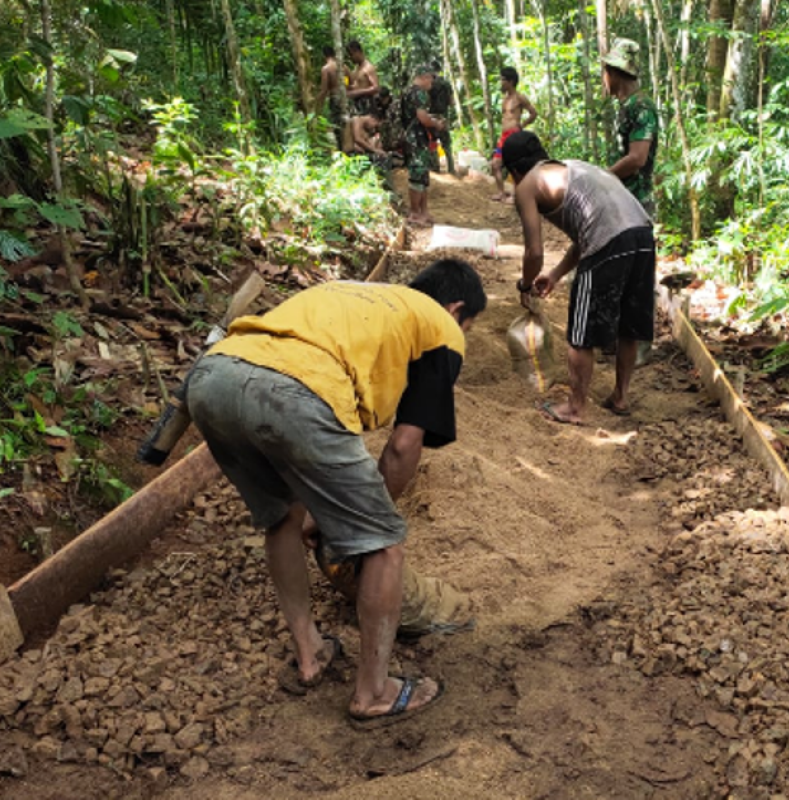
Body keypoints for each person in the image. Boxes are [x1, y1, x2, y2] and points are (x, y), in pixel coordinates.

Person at [186, 260, 487, 727]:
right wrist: (356, 529)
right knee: (384, 546)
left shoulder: (354, 294)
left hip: (212, 378)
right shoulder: (439, 327)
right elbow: (403, 448)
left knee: (283, 516)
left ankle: (310, 652)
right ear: (456, 308)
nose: (461, 333)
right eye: (466, 325)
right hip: (293, 392)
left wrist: (322, 513)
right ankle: (374, 693)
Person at [502, 131, 655, 424]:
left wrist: (524, 284)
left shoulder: (527, 186)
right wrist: (556, 274)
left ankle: (575, 407)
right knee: (628, 326)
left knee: (580, 333)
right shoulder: (574, 167)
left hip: (608, 242)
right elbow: (589, 227)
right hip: (643, 236)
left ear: (514, 171)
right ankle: (620, 397)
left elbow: (534, 252)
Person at [603, 38, 659, 220]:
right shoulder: (627, 105)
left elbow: (637, 158)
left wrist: (603, 178)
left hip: (635, 202)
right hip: (622, 197)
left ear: (614, 74)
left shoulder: (641, 106)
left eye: (605, 72)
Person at [402, 64, 447, 227]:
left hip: (417, 137)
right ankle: (415, 213)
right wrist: (437, 123)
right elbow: (422, 118)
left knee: (422, 175)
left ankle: (423, 211)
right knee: (417, 175)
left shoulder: (408, 91)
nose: (432, 83)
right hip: (416, 138)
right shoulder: (418, 93)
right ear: (425, 77)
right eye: (431, 79)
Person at [490, 67, 538, 203]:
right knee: (495, 164)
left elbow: (533, 113)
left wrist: (521, 125)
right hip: (504, 136)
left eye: (503, 80)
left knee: (516, 167)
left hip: (514, 136)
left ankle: (518, 195)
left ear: (510, 82)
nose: (501, 83)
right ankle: (501, 193)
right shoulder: (505, 99)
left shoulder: (520, 97)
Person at [314, 46, 346, 150]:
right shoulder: (343, 67)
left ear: (324, 55)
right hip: (346, 98)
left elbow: (324, 90)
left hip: (335, 99)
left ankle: (342, 149)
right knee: (346, 124)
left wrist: (317, 103)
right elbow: (352, 81)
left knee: (337, 126)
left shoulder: (326, 68)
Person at [429, 61, 456, 177]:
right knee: (446, 143)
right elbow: (452, 102)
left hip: (431, 117)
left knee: (432, 141)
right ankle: (451, 168)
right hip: (443, 116)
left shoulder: (429, 85)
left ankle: (435, 167)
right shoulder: (446, 84)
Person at [346, 40, 380, 116]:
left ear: (358, 52)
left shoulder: (368, 68)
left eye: (351, 55)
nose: (350, 58)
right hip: (357, 105)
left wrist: (357, 92)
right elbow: (356, 85)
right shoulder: (356, 69)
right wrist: (348, 85)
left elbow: (376, 88)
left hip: (367, 104)